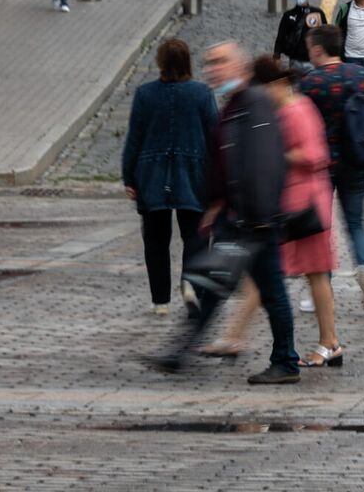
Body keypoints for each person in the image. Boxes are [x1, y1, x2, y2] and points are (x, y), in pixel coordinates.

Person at [148, 41, 298, 385]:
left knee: (269, 292)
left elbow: (265, 162)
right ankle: (179, 352)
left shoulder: (255, 103)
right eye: (209, 62)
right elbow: (227, 161)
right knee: (211, 288)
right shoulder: (235, 105)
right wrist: (216, 204)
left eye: (219, 62)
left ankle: (286, 362)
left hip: (255, 220)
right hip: (238, 216)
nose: (212, 69)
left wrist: (257, 216)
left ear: (240, 68)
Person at [206, 57, 341, 367]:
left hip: (305, 209)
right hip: (287, 207)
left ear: (278, 84)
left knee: (313, 274)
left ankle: (329, 343)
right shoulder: (282, 109)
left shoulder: (297, 109)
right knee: (266, 272)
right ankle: (234, 335)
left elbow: (314, 154)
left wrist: (274, 151)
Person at [298, 25, 364, 317]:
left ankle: (320, 289)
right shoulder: (361, 76)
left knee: (320, 228)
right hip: (355, 162)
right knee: (356, 223)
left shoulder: (308, 82)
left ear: (317, 48)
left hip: (319, 166)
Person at [122, 38, 214, 314]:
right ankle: (191, 283)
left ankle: (160, 299)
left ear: (160, 62)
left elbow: (134, 139)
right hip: (193, 171)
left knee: (156, 239)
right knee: (195, 234)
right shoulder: (202, 94)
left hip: (152, 172)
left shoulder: (144, 94)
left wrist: (129, 177)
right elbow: (213, 135)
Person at [273, 0, 327, 68]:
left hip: (313, 61)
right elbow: (281, 36)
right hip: (295, 60)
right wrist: (276, 57)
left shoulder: (317, 13)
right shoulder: (288, 15)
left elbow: (325, 36)